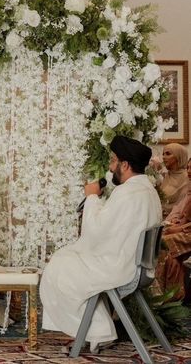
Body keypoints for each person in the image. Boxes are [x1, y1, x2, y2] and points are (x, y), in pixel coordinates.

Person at [40, 135, 162, 353]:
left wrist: (92, 197)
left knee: (59, 266)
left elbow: (96, 233)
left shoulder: (127, 193)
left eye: (113, 160)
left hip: (121, 268)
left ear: (125, 165)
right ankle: (98, 330)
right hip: (140, 268)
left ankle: (98, 331)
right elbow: (112, 231)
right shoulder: (148, 191)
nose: (110, 165)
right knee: (66, 260)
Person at [156, 157, 191, 299]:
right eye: (188, 168)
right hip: (186, 230)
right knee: (167, 252)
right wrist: (176, 222)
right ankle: (171, 297)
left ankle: (170, 296)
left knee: (163, 243)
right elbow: (183, 213)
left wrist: (178, 229)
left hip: (188, 233)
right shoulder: (189, 188)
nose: (189, 171)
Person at [158, 143, 188, 216]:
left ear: (179, 156)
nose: (164, 157)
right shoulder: (164, 176)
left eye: (168, 154)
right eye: (163, 154)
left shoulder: (187, 178)